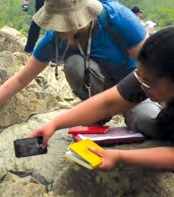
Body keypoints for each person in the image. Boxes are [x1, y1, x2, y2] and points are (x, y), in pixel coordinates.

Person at [0, 0, 159, 138]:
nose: (56, 29)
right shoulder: (54, 39)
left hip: (136, 88)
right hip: (98, 92)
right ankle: (97, 115)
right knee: (74, 64)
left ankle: (123, 113)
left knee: (150, 124)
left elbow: (153, 66)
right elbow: (20, 79)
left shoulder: (116, 18)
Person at [30, 26, 174, 171]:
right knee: (148, 124)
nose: (142, 86)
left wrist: (120, 156)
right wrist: (55, 124)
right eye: (139, 77)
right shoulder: (147, 78)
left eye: (148, 83)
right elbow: (107, 103)